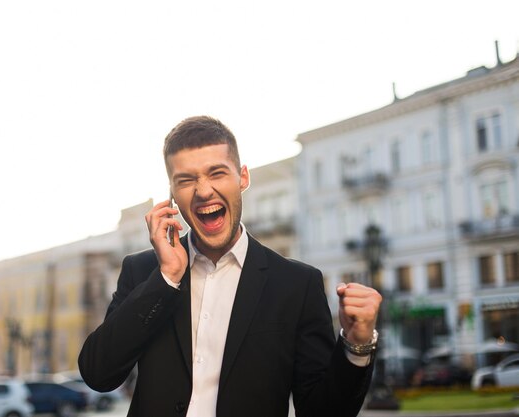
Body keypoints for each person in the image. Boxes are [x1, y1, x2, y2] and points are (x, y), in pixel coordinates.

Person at [79, 116, 382, 417]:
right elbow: (98, 373)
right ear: (172, 194)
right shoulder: (143, 270)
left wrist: (358, 345)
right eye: (186, 180)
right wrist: (166, 278)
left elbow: (321, 411)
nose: (203, 191)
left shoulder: (297, 285)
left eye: (217, 173)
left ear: (243, 178)